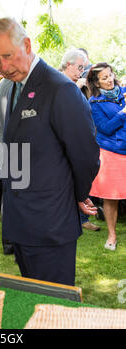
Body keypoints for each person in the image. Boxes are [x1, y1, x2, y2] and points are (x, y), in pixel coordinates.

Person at [0, 17, 100, 286]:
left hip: (50, 224)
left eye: (8, 56)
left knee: (54, 308)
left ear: (26, 44)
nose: (3, 66)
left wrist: (79, 195)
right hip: (19, 221)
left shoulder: (61, 89)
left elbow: (85, 155)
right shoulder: (7, 87)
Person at [86, 63, 126, 251]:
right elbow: (106, 128)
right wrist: (123, 113)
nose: (109, 80)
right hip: (112, 153)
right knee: (112, 198)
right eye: (104, 78)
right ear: (96, 82)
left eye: (110, 75)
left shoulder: (123, 93)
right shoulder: (94, 103)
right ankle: (112, 236)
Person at [61, 48, 100, 232]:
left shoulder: (74, 86)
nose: (80, 72)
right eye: (79, 67)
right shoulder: (61, 87)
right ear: (68, 65)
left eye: (83, 68)